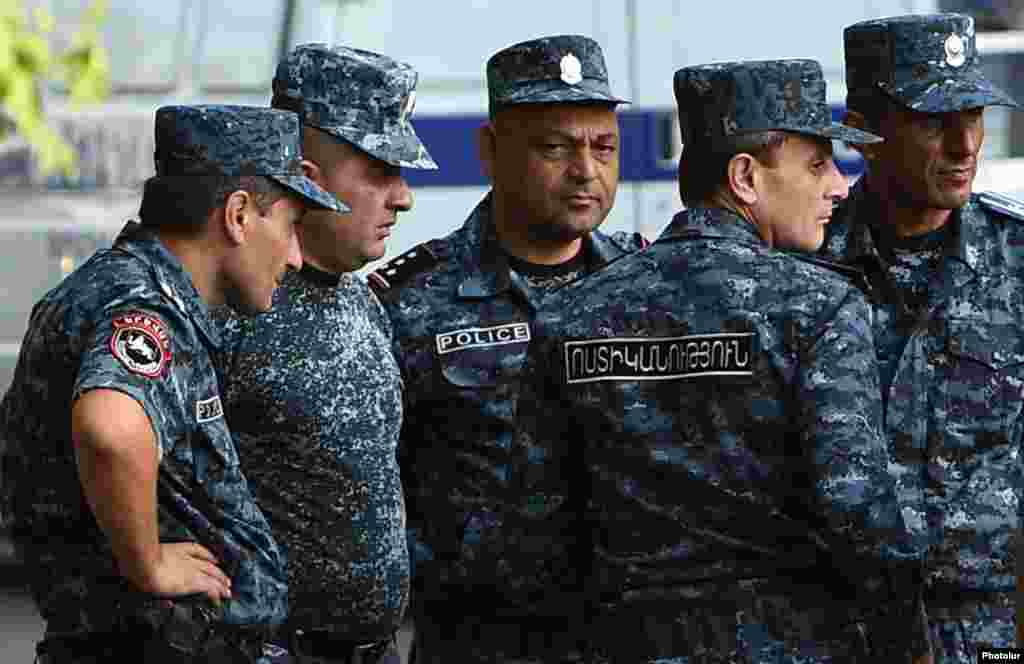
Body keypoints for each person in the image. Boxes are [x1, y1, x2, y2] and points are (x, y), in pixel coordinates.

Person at [515, 59, 929, 662]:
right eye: (817, 164)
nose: (839, 186)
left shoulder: (571, 313)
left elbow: (529, 533)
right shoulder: (817, 308)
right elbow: (861, 517)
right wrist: (907, 642)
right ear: (744, 177)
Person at [0, 104, 346, 663]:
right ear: (237, 215)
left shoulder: (131, 288)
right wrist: (150, 563)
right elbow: (111, 429)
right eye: (291, 226)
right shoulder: (144, 305)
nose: (297, 257)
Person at [367, 34, 647, 662]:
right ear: (491, 152)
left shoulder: (647, 283)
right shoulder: (413, 300)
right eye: (556, 147)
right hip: (481, 639)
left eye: (604, 147)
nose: (587, 171)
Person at [215, 44, 435, 664]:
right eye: (380, 171)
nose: (403, 197)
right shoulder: (226, 305)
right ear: (307, 174)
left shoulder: (361, 297)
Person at [822, 13, 1023, 662]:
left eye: (974, 115)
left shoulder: (1017, 256)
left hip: (989, 627)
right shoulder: (801, 268)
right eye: (936, 121)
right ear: (866, 132)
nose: (967, 145)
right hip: (841, 629)